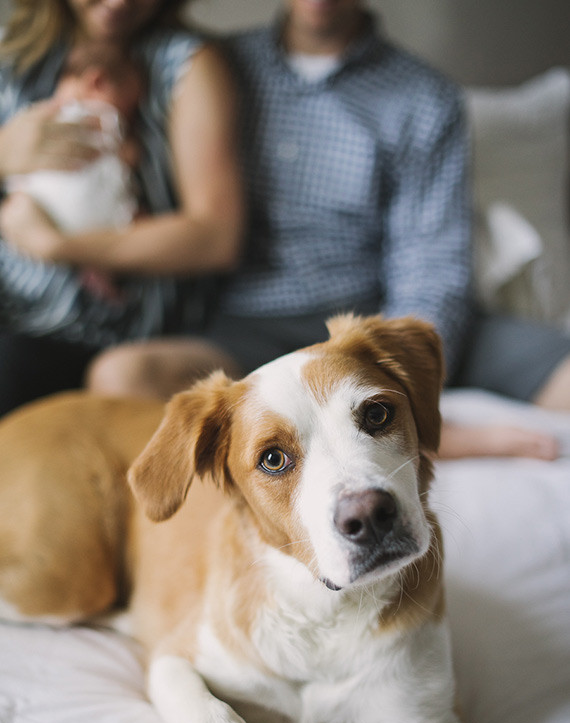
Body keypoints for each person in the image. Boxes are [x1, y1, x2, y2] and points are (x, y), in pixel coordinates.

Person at [7, 0, 570, 459]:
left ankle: (406, 431)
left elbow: (432, 264)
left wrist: (410, 385)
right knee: (122, 375)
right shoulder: (218, 68)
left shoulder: (424, 98)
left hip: (376, 316)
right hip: (247, 327)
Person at [0, 0, 243, 416]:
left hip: (122, 331)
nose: (119, 3)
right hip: (13, 312)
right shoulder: (11, 57)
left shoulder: (183, 63)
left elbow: (216, 236)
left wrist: (56, 245)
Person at [6, 43, 146, 302]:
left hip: (33, 207)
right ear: (98, 82)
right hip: (88, 217)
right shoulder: (98, 113)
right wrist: (130, 148)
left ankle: (93, 271)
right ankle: (99, 272)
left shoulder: (38, 113)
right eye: (129, 107)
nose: (130, 116)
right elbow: (124, 151)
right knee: (133, 221)